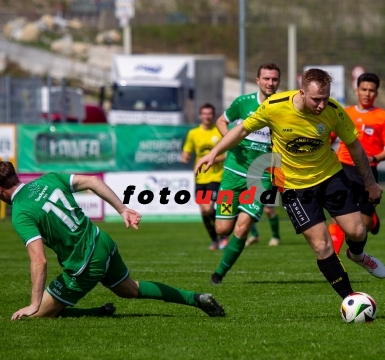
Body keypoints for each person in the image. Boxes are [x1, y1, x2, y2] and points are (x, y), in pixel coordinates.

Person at [196, 68, 385, 301]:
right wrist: (214, 152)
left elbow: (354, 145)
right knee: (321, 246)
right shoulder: (275, 106)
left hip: (330, 176)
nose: (321, 104)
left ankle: (357, 255)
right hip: (293, 187)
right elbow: (242, 129)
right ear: (302, 92)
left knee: (357, 231)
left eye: (326, 98)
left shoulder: (333, 111)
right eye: (316, 99)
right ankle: (350, 298)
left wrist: (370, 183)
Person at [0, 161, 225, 320]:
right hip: (102, 242)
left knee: (37, 315)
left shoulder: (20, 212)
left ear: (1, 191)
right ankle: (196, 299)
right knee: (128, 289)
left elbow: (39, 260)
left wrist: (33, 303)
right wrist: (123, 209)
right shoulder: (48, 179)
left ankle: (93, 312)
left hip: (84, 264)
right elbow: (91, 181)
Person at [209, 63, 282, 285]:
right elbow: (221, 120)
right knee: (223, 229)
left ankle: (218, 274)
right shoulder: (243, 103)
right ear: (257, 80)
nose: (271, 83)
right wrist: (231, 140)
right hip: (232, 171)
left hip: (261, 174)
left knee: (242, 228)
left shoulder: (284, 107)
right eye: (266, 79)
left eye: (275, 79)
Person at [329, 73, 385, 253]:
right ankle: (332, 259)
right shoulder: (345, 113)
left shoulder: (382, 117)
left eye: (371, 91)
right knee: (337, 216)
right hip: (342, 167)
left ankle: (372, 218)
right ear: (357, 90)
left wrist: (374, 158)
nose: (367, 93)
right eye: (364, 89)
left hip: (367, 172)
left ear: (376, 93)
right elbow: (330, 137)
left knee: (364, 224)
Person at [182, 103, 228, 250]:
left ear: (213, 115)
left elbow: (228, 153)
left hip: (216, 177)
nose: (207, 116)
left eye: (209, 113)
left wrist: (214, 158)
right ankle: (216, 240)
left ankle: (223, 234)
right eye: (204, 113)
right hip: (200, 178)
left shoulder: (219, 131)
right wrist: (185, 156)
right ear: (200, 115)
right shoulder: (193, 133)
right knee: (203, 210)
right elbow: (187, 151)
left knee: (208, 208)